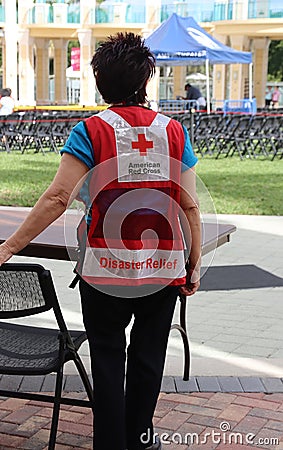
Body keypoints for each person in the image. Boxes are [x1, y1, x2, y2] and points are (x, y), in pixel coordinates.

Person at [0, 33, 201, 450]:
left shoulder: (91, 131)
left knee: (109, 359)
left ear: (100, 82)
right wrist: (193, 263)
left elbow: (58, 198)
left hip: (104, 270)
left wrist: (9, 247)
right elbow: (190, 206)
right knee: (148, 360)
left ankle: (110, 443)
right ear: (146, 79)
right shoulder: (174, 132)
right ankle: (141, 438)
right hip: (162, 270)